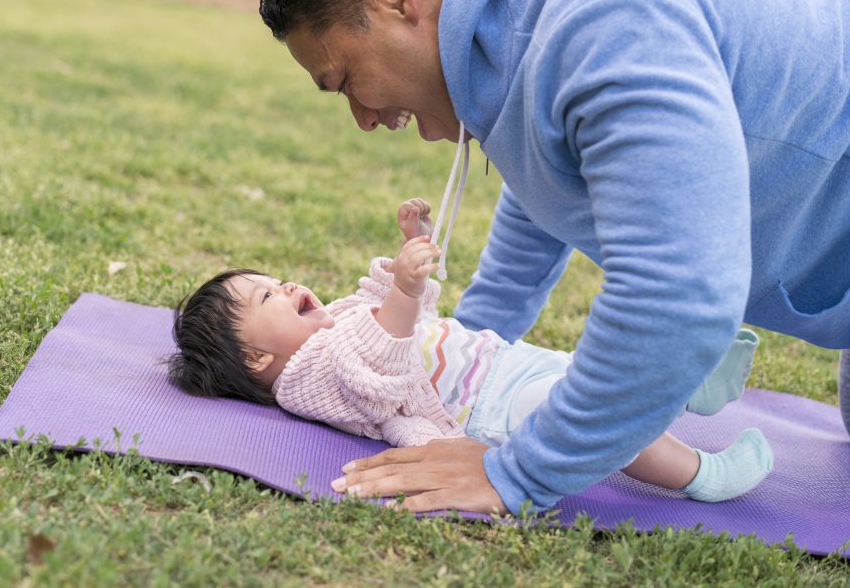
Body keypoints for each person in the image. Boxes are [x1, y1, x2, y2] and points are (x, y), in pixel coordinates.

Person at [258, 0, 850, 515]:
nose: (363, 117)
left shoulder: (603, 19)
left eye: (344, 81)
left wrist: (519, 472)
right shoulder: (514, 34)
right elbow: (551, 178)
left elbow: (681, 292)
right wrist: (458, 378)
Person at [169, 198, 772, 505]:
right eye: (269, 295)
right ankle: (699, 475)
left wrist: (410, 251)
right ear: (255, 360)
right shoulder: (307, 379)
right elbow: (379, 367)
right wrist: (403, 291)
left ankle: (688, 385)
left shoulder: (335, 320)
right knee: (603, 421)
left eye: (276, 277)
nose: (290, 286)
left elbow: (396, 307)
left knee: (605, 373)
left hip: (506, 364)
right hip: (488, 411)